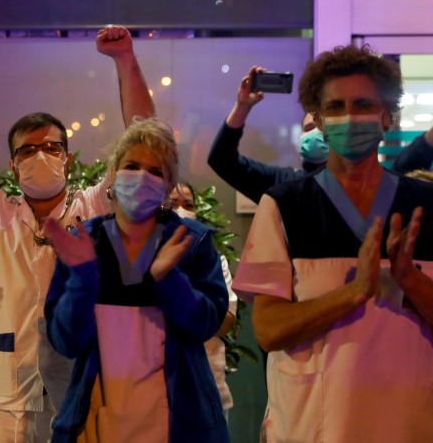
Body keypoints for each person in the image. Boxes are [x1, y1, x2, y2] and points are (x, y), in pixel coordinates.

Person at [0, 25, 155, 442]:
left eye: (51, 148)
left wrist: (125, 61)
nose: (39, 156)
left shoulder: (95, 207)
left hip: (81, 391)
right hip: (4, 402)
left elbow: (143, 142)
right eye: (27, 150)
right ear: (12, 166)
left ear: (67, 160)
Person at [232, 45, 433, 442]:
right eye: (336, 107)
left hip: (407, 423)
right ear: (320, 120)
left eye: (362, 104)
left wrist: (409, 278)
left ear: (387, 117)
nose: (349, 117)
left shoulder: (425, 206)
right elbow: (269, 330)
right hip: (312, 426)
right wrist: (353, 294)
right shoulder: (285, 204)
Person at [43, 118, 229, 442]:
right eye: (131, 165)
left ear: (169, 187)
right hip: (99, 425)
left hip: (177, 425)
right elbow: (65, 341)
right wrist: (83, 280)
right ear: (112, 175)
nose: (142, 176)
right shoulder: (85, 242)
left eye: (155, 171)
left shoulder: (190, 241)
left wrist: (169, 280)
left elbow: (207, 324)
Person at [207, 66, 328, 204]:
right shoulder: (283, 182)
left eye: (322, 128)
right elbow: (221, 160)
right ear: (300, 135)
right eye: (309, 128)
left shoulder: (349, 185)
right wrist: (242, 106)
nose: (315, 133)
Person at [170, 182, 237, 422]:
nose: (181, 210)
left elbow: (226, 322)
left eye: (188, 205)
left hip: (209, 388)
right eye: (173, 203)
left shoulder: (213, 261)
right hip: (157, 394)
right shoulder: (141, 260)